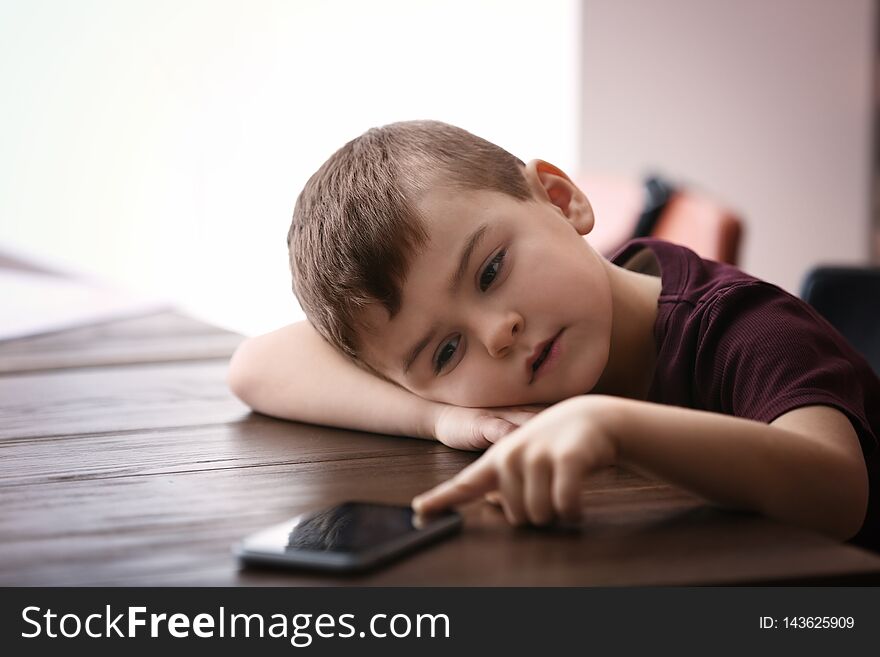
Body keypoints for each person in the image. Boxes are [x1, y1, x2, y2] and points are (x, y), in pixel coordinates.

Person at [227, 120, 880, 550]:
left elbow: (838, 492)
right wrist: (436, 417)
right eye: (446, 350)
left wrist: (611, 426)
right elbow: (256, 365)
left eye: (489, 270)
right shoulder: (511, 370)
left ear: (561, 198)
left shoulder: (747, 328)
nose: (497, 333)